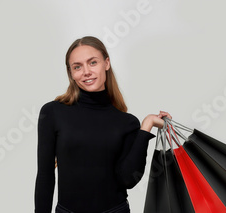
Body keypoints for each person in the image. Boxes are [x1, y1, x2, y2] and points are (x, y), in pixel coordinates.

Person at [34, 36, 171, 213]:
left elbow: (128, 180)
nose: (86, 72)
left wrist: (146, 126)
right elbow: (45, 176)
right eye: (77, 67)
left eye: (92, 63)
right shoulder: (52, 112)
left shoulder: (126, 122)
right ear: (71, 73)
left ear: (106, 63)